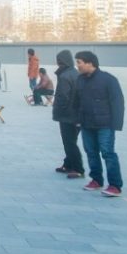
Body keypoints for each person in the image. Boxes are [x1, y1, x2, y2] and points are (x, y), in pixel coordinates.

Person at [74, 51, 124, 196]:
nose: (77, 66)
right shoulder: (80, 80)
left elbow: (118, 102)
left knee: (107, 153)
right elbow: (77, 102)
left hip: (105, 125)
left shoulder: (108, 79)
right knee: (91, 152)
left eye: (79, 62)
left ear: (90, 63)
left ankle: (115, 185)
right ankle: (96, 180)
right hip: (86, 124)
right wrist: (77, 120)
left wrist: (116, 124)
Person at [53, 50, 84, 179]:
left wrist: (57, 110)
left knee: (69, 142)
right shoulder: (75, 73)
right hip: (76, 114)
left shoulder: (65, 76)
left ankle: (78, 168)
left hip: (68, 115)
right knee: (71, 141)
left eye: (58, 61)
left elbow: (63, 97)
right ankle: (68, 164)